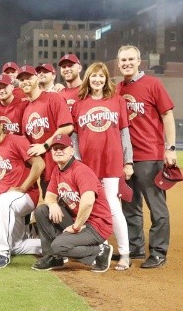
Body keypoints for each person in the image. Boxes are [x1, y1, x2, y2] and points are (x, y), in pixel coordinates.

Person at [117, 45, 176, 269]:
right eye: (123, 60)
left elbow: (167, 115)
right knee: (130, 206)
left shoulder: (152, 83)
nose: (127, 63)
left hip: (150, 155)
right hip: (126, 158)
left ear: (140, 60)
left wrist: (169, 148)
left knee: (156, 207)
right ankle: (136, 247)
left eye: (131, 59)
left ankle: (159, 252)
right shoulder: (118, 88)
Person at [71, 62, 133, 271]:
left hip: (111, 161)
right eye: (94, 76)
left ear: (106, 79)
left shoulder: (117, 100)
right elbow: (74, 135)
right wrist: (78, 159)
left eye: (101, 76)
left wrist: (129, 161)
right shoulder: (80, 103)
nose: (97, 80)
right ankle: (101, 251)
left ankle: (124, 253)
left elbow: (124, 132)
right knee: (94, 209)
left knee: (113, 207)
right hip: (87, 163)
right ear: (88, 78)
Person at [32, 134, 113, 273]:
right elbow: (50, 195)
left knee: (59, 245)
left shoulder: (81, 171)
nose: (58, 151)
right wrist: (53, 204)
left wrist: (76, 227)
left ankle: (100, 251)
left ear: (72, 150)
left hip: (97, 224)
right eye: (55, 148)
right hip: (80, 219)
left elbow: (88, 202)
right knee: (42, 211)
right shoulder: (57, 170)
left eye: (62, 148)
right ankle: (54, 257)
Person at [0, 111, 44, 268]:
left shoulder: (16, 140)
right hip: (9, 202)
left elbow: (39, 163)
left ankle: (2, 253)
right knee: (14, 245)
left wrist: (23, 187)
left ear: (1, 125)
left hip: (26, 196)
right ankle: (53, 245)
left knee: (4, 201)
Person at [19, 65, 73, 194]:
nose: (25, 81)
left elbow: (67, 126)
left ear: (37, 78)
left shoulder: (53, 98)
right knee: (50, 210)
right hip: (45, 172)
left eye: (29, 78)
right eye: (21, 80)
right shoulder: (26, 110)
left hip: (62, 167)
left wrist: (45, 145)